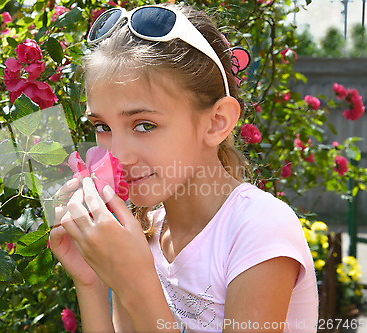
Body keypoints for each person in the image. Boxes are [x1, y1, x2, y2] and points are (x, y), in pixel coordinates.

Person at [49, 3, 319, 332]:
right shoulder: (145, 224)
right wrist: (91, 280)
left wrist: (135, 283)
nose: (117, 154)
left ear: (216, 122)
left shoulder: (257, 231)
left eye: (144, 125)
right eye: (103, 126)